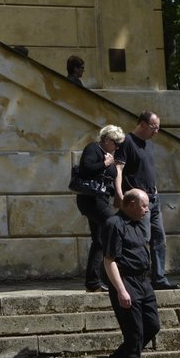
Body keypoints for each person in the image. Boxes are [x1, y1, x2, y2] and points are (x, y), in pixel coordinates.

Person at [99, 189, 162, 358]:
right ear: (131, 204)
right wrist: (121, 290)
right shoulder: (114, 224)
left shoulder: (136, 224)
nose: (147, 209)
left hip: (144, 282)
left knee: (152, 326)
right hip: (127, 282)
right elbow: (109, 260)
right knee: (134, 334)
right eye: (144, 205)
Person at [114, 111, 178, 290]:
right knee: (143, 238)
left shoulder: (148, 144)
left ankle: (159, 278)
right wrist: (119, 194)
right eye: (153, 127)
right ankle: (138, 277)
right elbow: (118, 169)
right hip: (138, 202)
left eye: (158, 128)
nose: (156, 132)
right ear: (142, 124)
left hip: (153, 198)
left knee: (159, 238)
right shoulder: (127, 142)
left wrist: (155, 189)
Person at [76, 124, 124, 292]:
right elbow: (86, 169)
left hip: (101, 200)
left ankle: (93, 282)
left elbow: (106, 181)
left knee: (100, 241)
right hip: (91, 200)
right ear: (106, 139)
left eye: (119, 144)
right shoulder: (93, 149)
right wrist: (105, 163)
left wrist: (117, 194)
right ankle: (118, 272)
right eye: (116, 143)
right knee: (115, 224)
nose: (118, 147)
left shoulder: (108, 154)